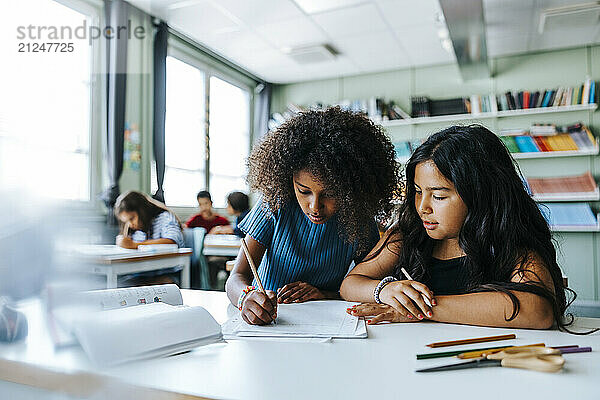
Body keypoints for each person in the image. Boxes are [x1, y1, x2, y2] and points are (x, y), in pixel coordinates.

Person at [340, 125, 575, 331]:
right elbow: (350, 284)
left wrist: (421, 308)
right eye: (418, 192)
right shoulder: (407, 235)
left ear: (480, 195)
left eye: (439, 196)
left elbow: (538, 310)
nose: (422, 207)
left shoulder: (510, 245)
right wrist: (384, 290)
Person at [226, 107, 401, 325]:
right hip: (271, 324)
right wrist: (246, 297)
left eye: (330, 194)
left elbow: (368, 287)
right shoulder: (274, 204)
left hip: (329, 324)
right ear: (289, 180)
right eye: (304, 191)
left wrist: (325, 294)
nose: (315, 206)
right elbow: (236, 277)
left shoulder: (358, 218)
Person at [114, 191, 185, 285]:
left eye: (131, 219)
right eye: (126, 221)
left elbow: (171, 242)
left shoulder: (165, 218)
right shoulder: (136, 229)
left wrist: (134, 245)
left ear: (142, 211)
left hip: (166, 274)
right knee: (117, 284)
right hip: (142, 273)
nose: (130, 224)